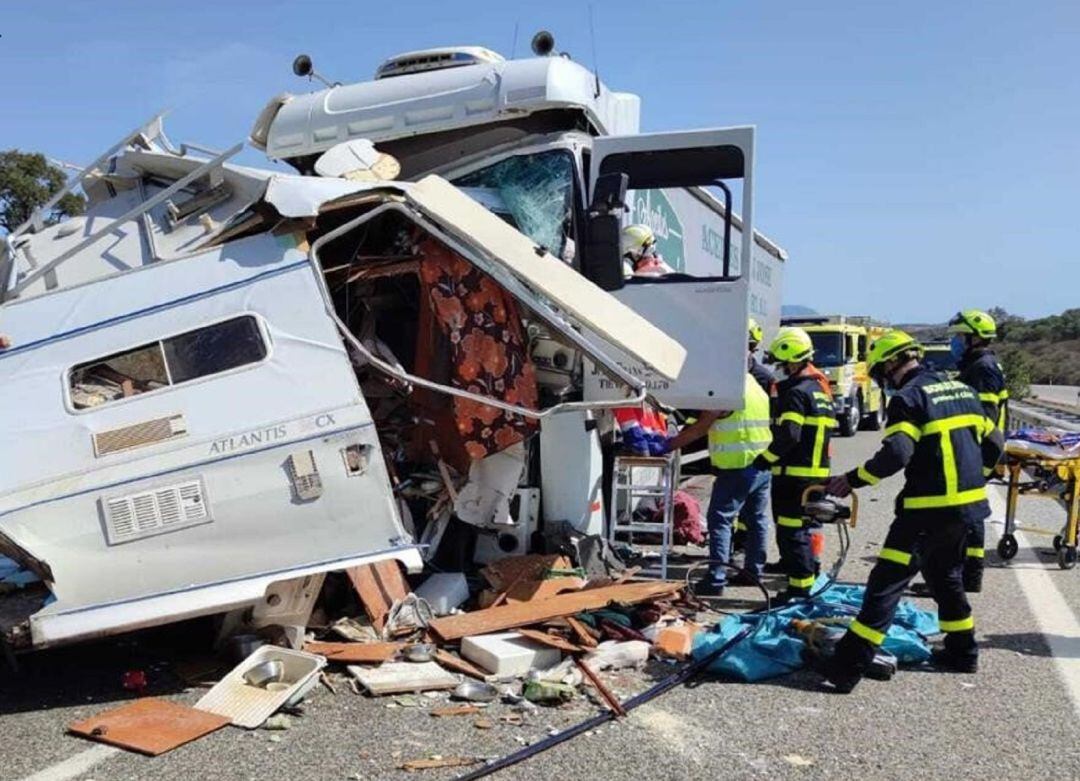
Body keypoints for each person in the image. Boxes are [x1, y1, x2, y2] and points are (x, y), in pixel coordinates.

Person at [820, 331, 1004, 693]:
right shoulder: (962, 390)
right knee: (946, 578)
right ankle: (962, 653)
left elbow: (896, 454)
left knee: (884, 586)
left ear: (891, 364)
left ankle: (844, 669)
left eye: (878, 374)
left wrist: (852, 480)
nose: (881, 382)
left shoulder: (909, 398)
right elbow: (995, 442)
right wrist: (975, 479)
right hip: (966, 511)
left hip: (924, 513)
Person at [751, 327, 837, 601]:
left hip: (795, 477)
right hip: (816, 475)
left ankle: (799, 591)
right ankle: (805, 581)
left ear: (793, 360)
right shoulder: (819, 390)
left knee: (792, 532)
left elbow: (790, 434)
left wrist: (766, 458)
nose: (778, 369)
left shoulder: (796, 393)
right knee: (802, 531)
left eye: (780, 363)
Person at [668, 372, 773, 595]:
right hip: (761, 464)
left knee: (720, 520)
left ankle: (716, 580)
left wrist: (666, 446)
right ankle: (753, 572)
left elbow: (701, 427)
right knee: (756, 520)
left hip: (737, 467)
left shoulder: (726, 388)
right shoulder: (754, 384)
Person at [948, 309, 1008, 593]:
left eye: (959, 336)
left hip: (978, 451)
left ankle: (968, 577)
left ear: (973, 338)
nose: (955, 342)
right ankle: (962, 575)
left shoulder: (981, 369)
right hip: (978, 451)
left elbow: (985, 419)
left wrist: (979, 464)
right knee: (966, 516)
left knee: (969, 517)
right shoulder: (980, 364)